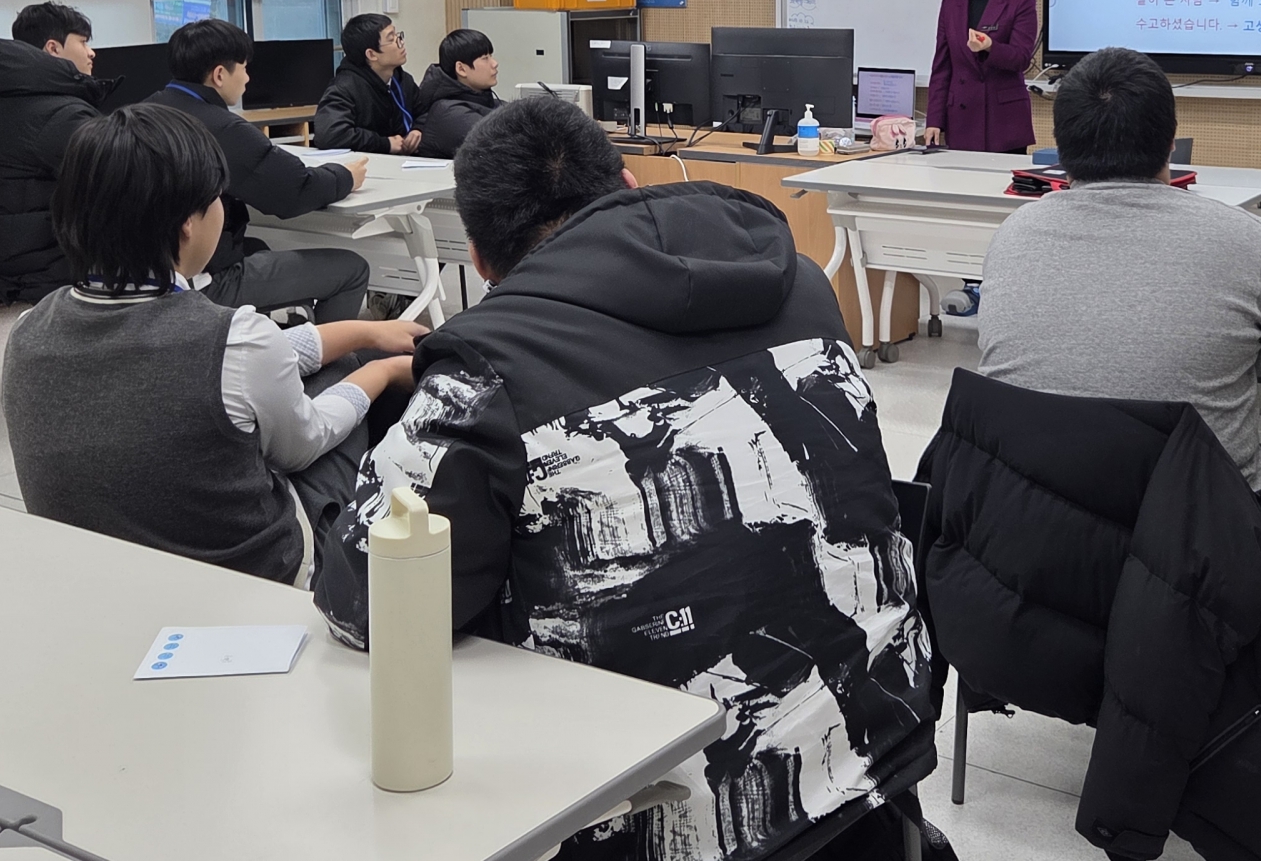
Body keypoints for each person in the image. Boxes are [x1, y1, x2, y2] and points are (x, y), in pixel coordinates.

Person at [315, 99, 941, 861]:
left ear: (478, 256)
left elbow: (367, 602)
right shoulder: (804, 285)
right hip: (877, 766)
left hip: (679, 819)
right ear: (629, 180)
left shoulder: (487, 371)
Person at [975, 45, 1261, 763]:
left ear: (1063, 143)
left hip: (1028, 543)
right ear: (1168, 138)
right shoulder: (1244, 237)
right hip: (1191, 552)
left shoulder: (1014, 235)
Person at [2, 105, 422, 587]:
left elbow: (246, 361)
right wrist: (381, 371)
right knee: (352, 386)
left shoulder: (30, 329)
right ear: (187, 223)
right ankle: (353, 569)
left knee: (337, 359)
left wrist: (366, 330)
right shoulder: (234, 340)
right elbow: (300, 442)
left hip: (87, 579)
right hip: (246, 577)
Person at [144, 19, 372, 323]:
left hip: (141, 275)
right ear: (220, 75)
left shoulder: (140, 112)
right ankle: (327, 360)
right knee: (352, 269)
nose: (248, 78)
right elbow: (294, 191)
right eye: (245, 68)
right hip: (201, 280)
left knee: (259, 248)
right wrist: (345, 176)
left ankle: (277, 335)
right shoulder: (222, 128)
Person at [0, 1, 116, 302]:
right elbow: (120, 176)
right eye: (83, 42)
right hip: (39, 267)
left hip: (3, 256)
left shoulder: (3, 99)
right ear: (53, 49)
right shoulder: (58, 113)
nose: (91, 52)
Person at [921, 0, 1038, 154]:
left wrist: (989, 47)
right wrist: (934, 120)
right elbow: (942, 68)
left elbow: (1022, 58)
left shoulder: (1021, 1)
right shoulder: (950, 5)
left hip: (1004, 122)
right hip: (962, 120)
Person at [313, 12, 423, 155]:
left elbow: (425, 111)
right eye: (391, 39)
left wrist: (418, 129)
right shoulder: (344, 88)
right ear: (371, 54)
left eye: (398, 35)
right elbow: (330, 135)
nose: (400, 42)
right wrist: (385, 144)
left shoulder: (402, 80)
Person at [410, 28, 502, 159]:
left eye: (491, 56)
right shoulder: (448, 113)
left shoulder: (485, 100)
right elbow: (502, 144)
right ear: (461, 69)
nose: (494, 63)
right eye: (485, 58)